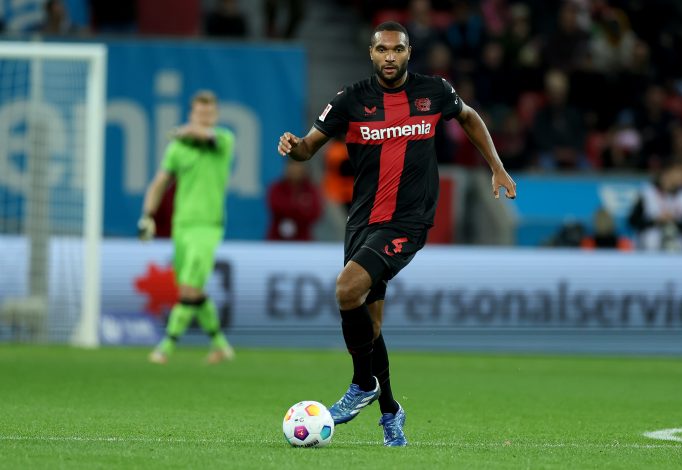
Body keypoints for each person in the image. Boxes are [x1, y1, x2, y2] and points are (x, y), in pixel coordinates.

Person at [276, 21, 516, 447]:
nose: (390, 56)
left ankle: (361, 385)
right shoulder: (351, 99)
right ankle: (389, 411)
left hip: (409, 220)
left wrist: (496, 166)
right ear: (371, 54)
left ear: (409, 53)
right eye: (382, 50)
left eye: (398, 49)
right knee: (370, 323)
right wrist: (294, 146)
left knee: (347, 288)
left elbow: (470, 117)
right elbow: (309, 147)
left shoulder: (433, 92)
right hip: (363, 220)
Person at [139, 90, 236, 365]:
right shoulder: (178, 147)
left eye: (209, 114)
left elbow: (207, 136)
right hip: (181, 226)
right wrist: (147, 216)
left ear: (215, 116)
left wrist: (184, 131)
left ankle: (166, 346)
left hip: (208, 226)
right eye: (199, 113)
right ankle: (220, 346)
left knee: (188, 288)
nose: (204, 119)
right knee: (191, 289)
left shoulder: (225, 140)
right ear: (192, 113)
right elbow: (159, 182)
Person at [267, 159, 323, 241]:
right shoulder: (276, 188)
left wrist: (291, 207)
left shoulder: (311, 190)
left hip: (303, 240)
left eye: (297, 166)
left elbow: (315, 212)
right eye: (291, 165)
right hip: (277, 239)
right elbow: (275, 207)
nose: (294, 169)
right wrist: (301, 208)